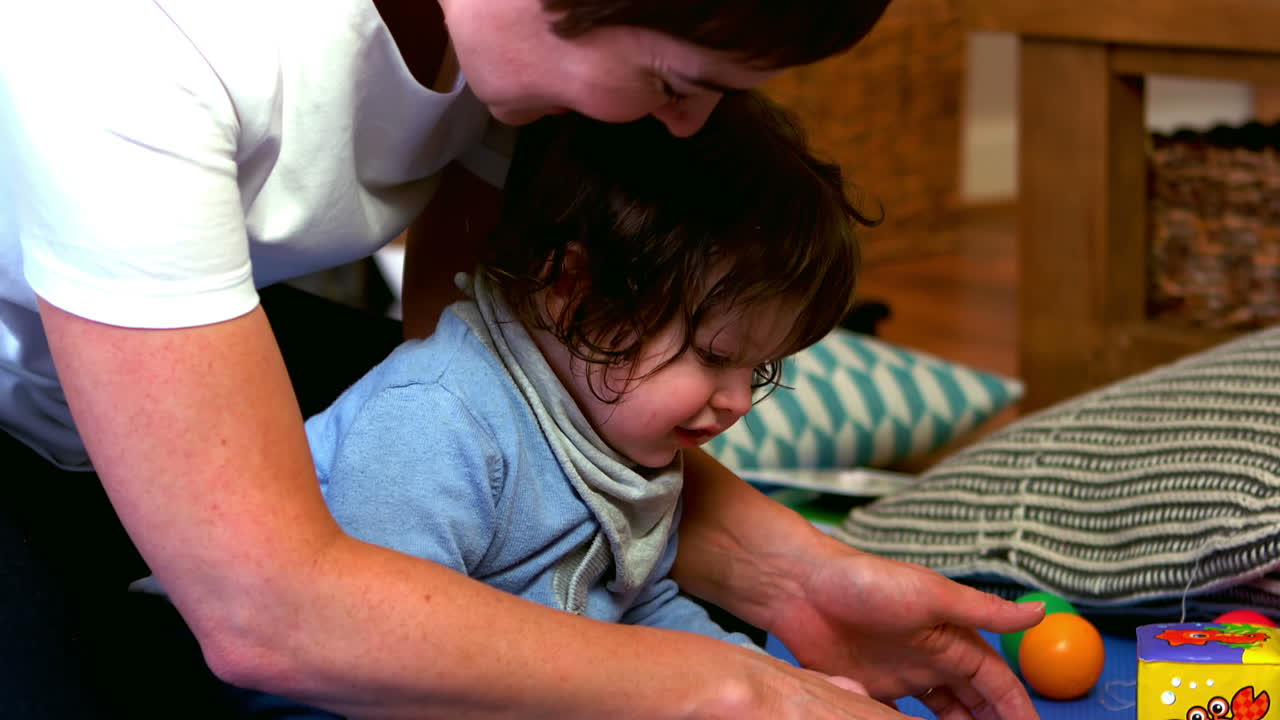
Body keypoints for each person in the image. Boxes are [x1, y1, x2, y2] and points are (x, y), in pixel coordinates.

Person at [0, 1, 1046, 718]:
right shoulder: (134, 45)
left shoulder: (507, 60)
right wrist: (731, 691)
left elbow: (508, 389)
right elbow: (266, 617)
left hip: (175, 347)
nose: (684, 125)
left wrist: (797, 578)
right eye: (675, 81)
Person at [204, 88, 866, 716]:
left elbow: (640, 606)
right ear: (575, 288)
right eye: (717, 357)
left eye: (762, 368)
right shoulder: (434, 418)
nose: (737, 401)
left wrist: (773, 688)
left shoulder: (616, 432)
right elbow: (366, 655)